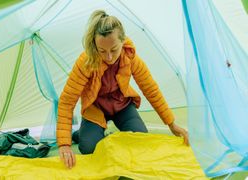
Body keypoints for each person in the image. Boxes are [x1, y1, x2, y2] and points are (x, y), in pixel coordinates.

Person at [56, 10, 188, 169]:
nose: (109, 57)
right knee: (90, 149)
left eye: (114, 49)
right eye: (102, 51)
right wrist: (64, 144)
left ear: (122, 41)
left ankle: (97, 132)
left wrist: (172, 124)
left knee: (141, 142)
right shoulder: (85, 62)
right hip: (95, 110)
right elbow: (67, 101)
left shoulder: (130, 56)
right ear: (94, 44)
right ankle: (83, 134)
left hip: (122, 106)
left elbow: (151, 89)